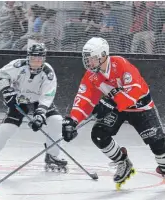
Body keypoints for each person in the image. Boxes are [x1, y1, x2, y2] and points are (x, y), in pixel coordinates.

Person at [62, 37, 165, 189]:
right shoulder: (91, 75)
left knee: (158, 144)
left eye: (91, 59)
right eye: (87, 59)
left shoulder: (121, 64)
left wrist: (110, 102)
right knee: (99, 133)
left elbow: (134, 91)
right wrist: (73, 121)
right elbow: (84, 98)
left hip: (140, 106)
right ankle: (122, 162)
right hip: (117, 108)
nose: (88, 63)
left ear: (103, 56)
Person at [0, 43, 68, 173]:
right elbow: (1, 75)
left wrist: (40, 114)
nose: (36, 61)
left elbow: (47, 95)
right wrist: (8, 92)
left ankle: (52, 156)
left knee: (56, 121)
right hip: (19, 101)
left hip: (39, 102)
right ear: (28, 57)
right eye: (34, 57)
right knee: (7, 128)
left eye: (40, 58)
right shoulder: (17, 65)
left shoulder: (48, 73)